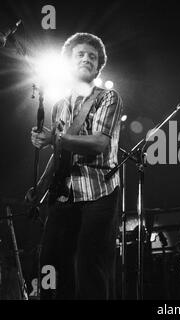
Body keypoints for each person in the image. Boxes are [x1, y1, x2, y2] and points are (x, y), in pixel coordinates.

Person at [27, 33, 123, 299]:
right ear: (68, 62)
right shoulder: (59, 105)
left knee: (88, 267)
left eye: (93, 56)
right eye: (80, 54)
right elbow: (60, 152)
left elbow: (98, 144)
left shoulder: (108, 98)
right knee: (51, 262)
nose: (87, 58)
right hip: (64, 195)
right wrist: (42, 186)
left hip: (98, 193)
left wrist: (54, 138)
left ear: (98, 66)